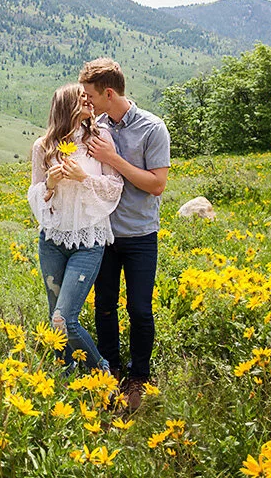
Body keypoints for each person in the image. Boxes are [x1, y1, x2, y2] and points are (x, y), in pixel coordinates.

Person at [78, 58, 170, 412]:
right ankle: (111, 370)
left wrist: (114, 159)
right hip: (102, 234)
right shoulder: (95, 125)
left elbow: (157, 185)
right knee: (104, 307)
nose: (86, 101)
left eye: (89, 95)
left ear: (109, 93)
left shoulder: (152, 129)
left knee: (140, 309)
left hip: (140, 234)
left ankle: (140, 376)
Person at [27, 83, 124, 374]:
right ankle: (68, 376)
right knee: (53, 318)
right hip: (52, 239)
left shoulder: (99, 139)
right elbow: (35, 194)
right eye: (82, 98)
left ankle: (102, 374)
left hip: (89, 239)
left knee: (63, 319)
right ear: (66, 105)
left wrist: (83, 177)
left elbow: (114, 187)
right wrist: (50, 184)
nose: (89, 101)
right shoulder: (43, 146)